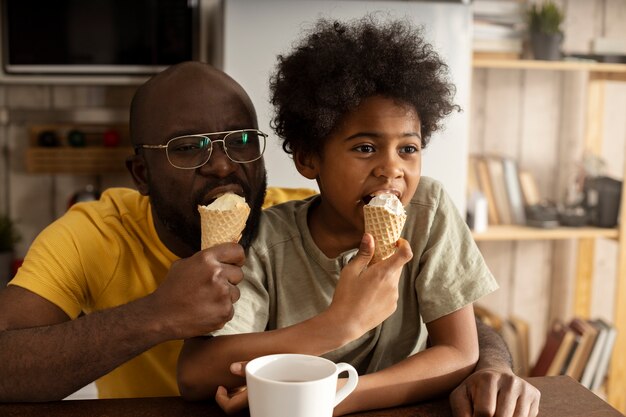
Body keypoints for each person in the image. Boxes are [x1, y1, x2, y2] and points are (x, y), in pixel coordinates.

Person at [0, 61, 538, 415]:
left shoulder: (284, 208)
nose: (220, 166)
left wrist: (490, 368)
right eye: (187, 148)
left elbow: (459, 327)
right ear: (140, 173)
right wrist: (158, 314)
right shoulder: (91, 234)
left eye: (239, 142)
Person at [177, 17, 540, 417]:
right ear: (308, 158)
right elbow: (196, 374)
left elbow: (459, 352)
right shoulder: (264, 241)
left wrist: (331, 396)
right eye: (365, 148)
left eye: (408, 149)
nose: (392, 169)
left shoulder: (428, 211)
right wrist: (338, 325)